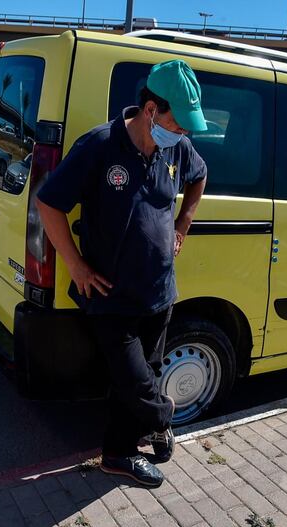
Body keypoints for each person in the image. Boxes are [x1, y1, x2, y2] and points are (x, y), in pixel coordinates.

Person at [35, 60, 207, 487]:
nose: (182, 133)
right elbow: (48, 202)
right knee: (138, 384)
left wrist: (182, 226)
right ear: (150, 110)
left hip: (159, 293)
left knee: (134, 380)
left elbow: (200, 177)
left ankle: (118, 454)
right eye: (177, 123)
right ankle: (162, 420)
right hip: (112, 297)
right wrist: (75, 265)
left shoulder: (176, 147)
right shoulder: (99, 146)